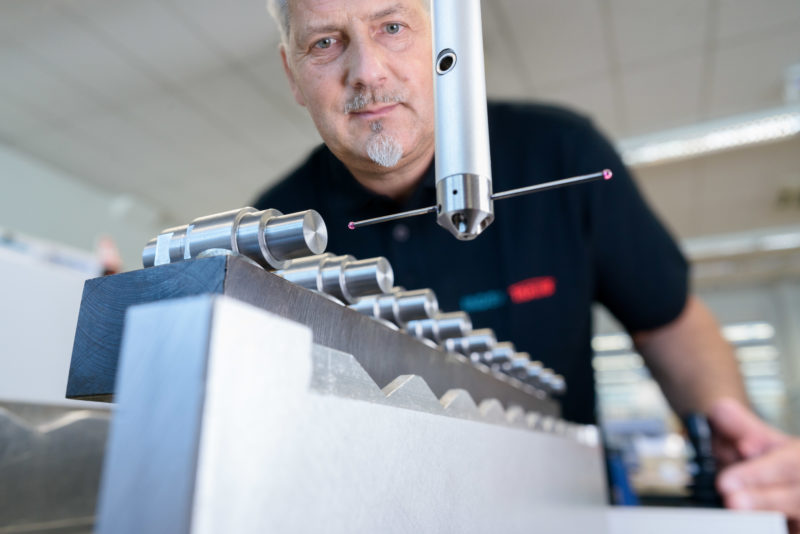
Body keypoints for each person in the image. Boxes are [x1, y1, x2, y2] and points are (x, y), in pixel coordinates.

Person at [255, 0, 800, 527]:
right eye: (325, 42)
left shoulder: (562, 153)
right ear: (292, 73)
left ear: (445, 35)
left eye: (393, 27)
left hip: (565, 512)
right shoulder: (271, 235)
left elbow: (669, 325)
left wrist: (737, 446)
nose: (368, 72)